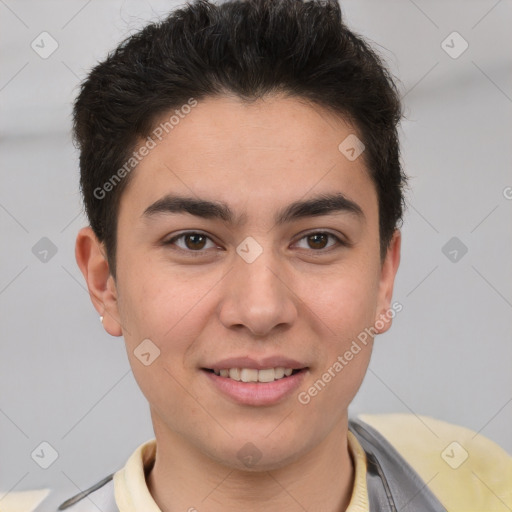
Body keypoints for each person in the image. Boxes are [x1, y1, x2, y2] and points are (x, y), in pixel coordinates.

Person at [7, 0, 510, 511]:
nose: (260, 310)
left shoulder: (474, 481)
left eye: (317, 240)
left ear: (385, 273)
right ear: (104, 280)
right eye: (194, 241)